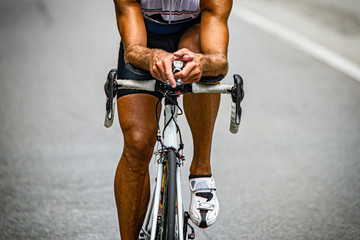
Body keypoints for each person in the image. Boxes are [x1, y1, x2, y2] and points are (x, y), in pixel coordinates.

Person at [113, 0, 233, 239]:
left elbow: (220, 60)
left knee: (199, 54)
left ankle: (201, 171)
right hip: (144, 40)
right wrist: (153, 57)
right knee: (137, 144)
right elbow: (134, 49)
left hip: (194, 35)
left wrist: (203, 64)